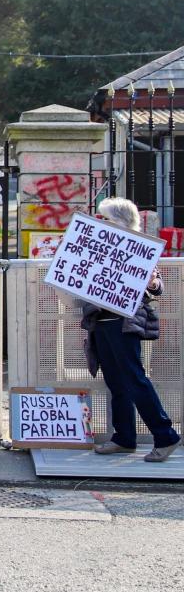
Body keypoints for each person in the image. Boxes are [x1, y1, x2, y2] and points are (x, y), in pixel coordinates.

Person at [81, 197, 181, 462]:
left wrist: (150, 280)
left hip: (122, 324)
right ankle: (124, 438)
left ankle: (165, 435)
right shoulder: (101, 248)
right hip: (102, 322)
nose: (101, 223)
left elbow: (157, 286)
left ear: (121, 222)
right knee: (117, 382)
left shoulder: (137, 248)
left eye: (106, 218)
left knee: (134, 380)